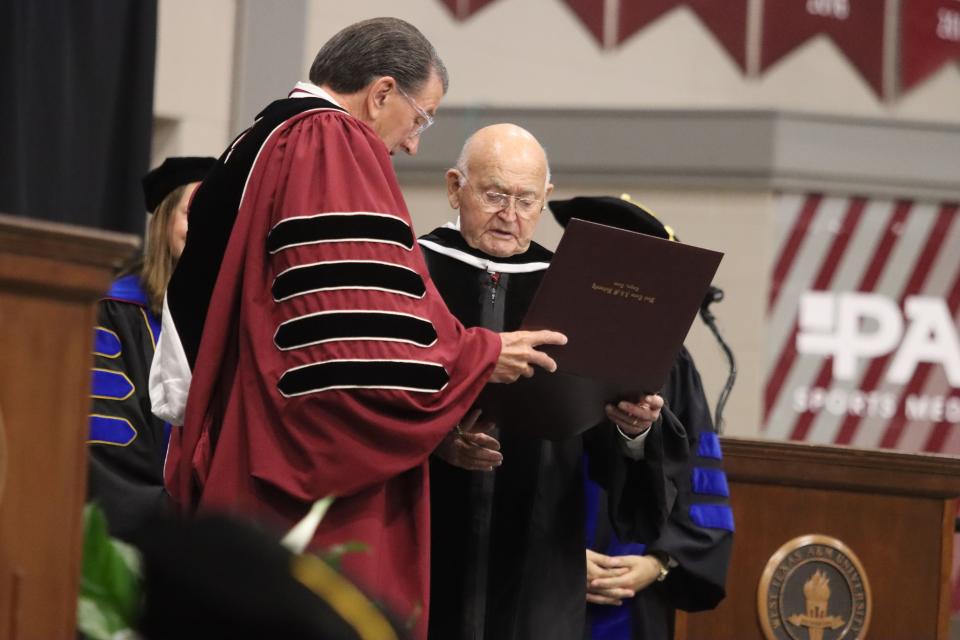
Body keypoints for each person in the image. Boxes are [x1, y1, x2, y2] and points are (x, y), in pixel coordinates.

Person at [148, 18, 564, 638]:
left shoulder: (258, 137)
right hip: (300, 480)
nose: (412, 145)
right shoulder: (329, 142)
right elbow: (358, 341)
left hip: (240, 432)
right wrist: (481, 351)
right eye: (420, 119)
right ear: (381, 94)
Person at [419, 124, 681, 640]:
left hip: (538, 576)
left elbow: (611, 444)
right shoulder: (410, 272)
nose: (511, 216)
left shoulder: (575, 292)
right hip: (422, 549)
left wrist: (633, 430)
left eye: (526, 200)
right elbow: (368, 397)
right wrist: (436, 438)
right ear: (455, 188)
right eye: (495, 195)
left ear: (547, 200)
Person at [550, 196, 734, 639]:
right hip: (536, 589)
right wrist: (553, 558)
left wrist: (659, 562)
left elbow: (697, 480)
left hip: (629, 600)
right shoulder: (536, 342)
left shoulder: (672, 364)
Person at [87, 156, 215, 541]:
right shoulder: (113, 311)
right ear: (163, 224)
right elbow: (106, 437)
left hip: (218, 530)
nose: (208, 227)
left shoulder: (238, 317)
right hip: (141, 532)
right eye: (194, 213)